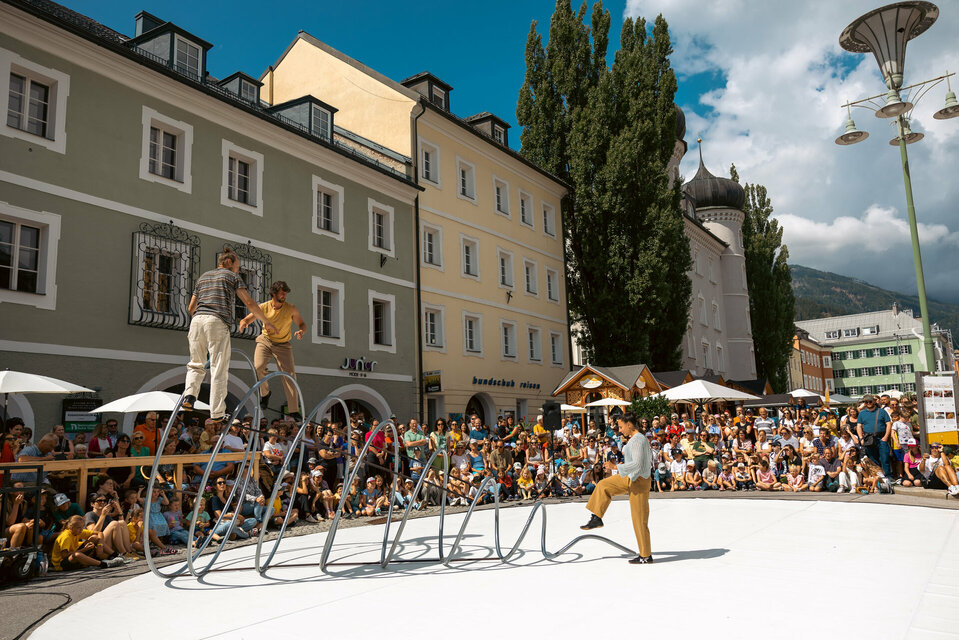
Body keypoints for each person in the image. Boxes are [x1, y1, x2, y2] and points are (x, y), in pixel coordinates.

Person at [182, 247, 277, 422]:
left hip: (196, 322)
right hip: (216, 321)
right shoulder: (231, 276)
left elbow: (191, 308)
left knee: (195, 363)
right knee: (219, 367)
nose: (238, 270)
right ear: (228, 262)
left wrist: (202, 317)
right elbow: (249, 302)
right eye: (237, 266)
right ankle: (217, 412)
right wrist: (266, 321)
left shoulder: (203, 277)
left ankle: (189, 396)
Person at [580, 413, 653, 565]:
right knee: (603, 485)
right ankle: (596, 517)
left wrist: (615, 467)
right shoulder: (634, 439)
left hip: (639, 481)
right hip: (631, 478)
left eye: (621, 426)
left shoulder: (638, 440)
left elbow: (638, 465)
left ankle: (646, 556)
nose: (619, 430)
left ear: (629, 425)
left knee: (639, 520)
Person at [239, 280, 307, 419]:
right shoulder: (263, 307)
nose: (284, 296)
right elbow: (246, 319)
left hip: (283, 345)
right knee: (258, 367)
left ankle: (293, 409)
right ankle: (265, 394)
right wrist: (243, 323)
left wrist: (301, 331)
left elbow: (302, 324)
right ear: (274, 293)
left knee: (289, 376)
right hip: (265, 341)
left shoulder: (291, 309)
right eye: (282, 293)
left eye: (285, 294)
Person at [856, 394, 892, 477]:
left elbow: (888, 424)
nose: (868, 403)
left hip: (881, 437)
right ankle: (877, 475)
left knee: (884, 458)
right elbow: (859, 426)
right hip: (869, 438)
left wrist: (885, 437)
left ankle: (887, 476)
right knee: (872, 458)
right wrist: (861, 438)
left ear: (874, 402)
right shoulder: (862, 413)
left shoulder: (882, 411)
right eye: (866, 402)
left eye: (870, 401)